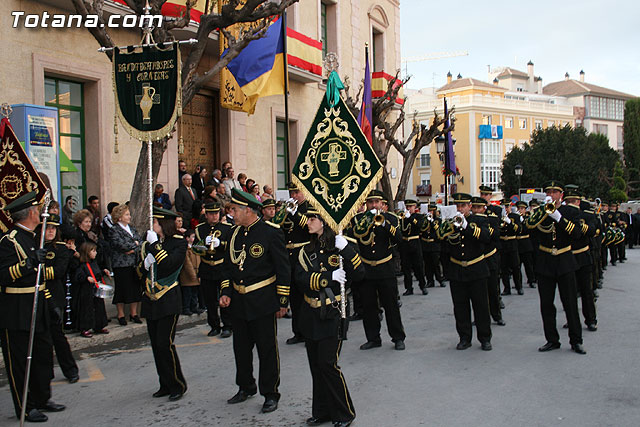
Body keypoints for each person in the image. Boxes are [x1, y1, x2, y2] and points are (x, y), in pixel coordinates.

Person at [220, 189, 290, 414]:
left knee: (266, 349)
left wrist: (282, 300)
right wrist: (226, 291)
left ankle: (270, 392)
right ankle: (245, 386)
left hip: (262, 299)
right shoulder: (233, 234)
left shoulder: (271, 232)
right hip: (239, 300)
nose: (232, 213)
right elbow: (227, 267)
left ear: (247, 210)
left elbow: (282, 268)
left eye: (234, 210)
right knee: (240, 348)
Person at [0, 192, 66, 423]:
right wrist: (27, 263)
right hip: (17, 309)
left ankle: (42, 397)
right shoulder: (9, 241)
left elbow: (41, 280)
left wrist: (50, 305)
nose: (40, 213)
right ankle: (24, 407)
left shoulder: (33, 238)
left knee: (42, 356)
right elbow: (3, 276)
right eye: (37, 210)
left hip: (38, 305)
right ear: (30, 213)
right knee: (20, 361)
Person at [295, 208, 363, 427]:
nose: (308, 222)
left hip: (333, 312)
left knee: (328, 363)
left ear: (324, 222)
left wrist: (347, 250)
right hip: (310, 313)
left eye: (312, 219)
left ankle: (344, 413)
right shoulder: (306, 249)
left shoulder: (341, 245)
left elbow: (360, 274)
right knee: (316, 365)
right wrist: (327, 277)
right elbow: (300, 278)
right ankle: (322, 411)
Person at [525, 181, 586, 355]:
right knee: (546, 304)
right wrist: (542, 214)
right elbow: (530, 231)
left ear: (561, 195)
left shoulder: (571, 212)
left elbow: (576, 233)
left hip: (565, 260)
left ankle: (576, 340)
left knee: (570, 303)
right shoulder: (539, 213)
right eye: (549, 192)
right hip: (545, 261)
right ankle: (552, 339)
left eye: (555, 192)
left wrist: (558, 217)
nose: (552, 194)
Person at [347, 190, 406, 351]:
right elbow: (353, 237)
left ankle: (398, 337)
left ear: (382, 204)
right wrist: (366, 220)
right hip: (366, 268)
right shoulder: (358, 219)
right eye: (370, 202)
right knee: (369, 306)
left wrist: (384, 224)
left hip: (385, 267)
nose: (373, 205)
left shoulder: (391, 218)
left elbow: (399, 238)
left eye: (376, 202)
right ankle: (373, 338)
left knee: (391, 305)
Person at [140, 207, 188, 401]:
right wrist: (143, 265)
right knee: (155, 344)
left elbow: (170, 265)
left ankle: (178, 384)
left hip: (168, 298)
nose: (152, 226)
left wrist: (156, 247)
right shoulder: (149, 244)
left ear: (163, 224)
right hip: (151, 298)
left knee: (165, 343)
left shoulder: (179, 243)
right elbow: (141, 272)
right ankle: (165, 383)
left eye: (155, 222)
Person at [438, 193, 493, 351]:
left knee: (481, 306)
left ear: (470, 206)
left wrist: (466, 226)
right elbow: (440, 239)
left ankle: (485, 338)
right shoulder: (450, 222)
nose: (461, 209)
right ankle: (464, 337)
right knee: (460, 307)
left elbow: (486, 237)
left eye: (463, 205)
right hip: (457, 270)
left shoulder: (480, 220)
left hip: (477, 269)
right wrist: (446, 225)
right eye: (458, 206)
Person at [40, 213, 80, 383]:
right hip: (37, 296)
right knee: (42, 340)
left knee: (58, 337)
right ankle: (46, 374)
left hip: (54, 297)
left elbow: (59, 272)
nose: (50, 231)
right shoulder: (35, 246)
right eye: (47, 227)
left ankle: (71, 370)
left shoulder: (61, 249)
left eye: (53, 228)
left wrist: (36, 272)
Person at [195, 202, 233, 337]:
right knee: (210, 299)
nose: (214, 216)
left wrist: (220, 244)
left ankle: (227, 325)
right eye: (211, 214)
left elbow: (230, 247)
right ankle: (214, 325)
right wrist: (202, 245)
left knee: (225, 297)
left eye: (216, 213)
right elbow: (195, 249)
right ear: (206, 215)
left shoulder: (227, 228)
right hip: (206, 267)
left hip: (222, 266)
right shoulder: (200, 229)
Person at [282, 182, 311, 345]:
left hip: (303, 254)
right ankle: (298, 332)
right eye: (291, 193)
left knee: (306, 296)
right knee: (294, 297)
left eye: (297, 192)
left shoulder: (310, 207)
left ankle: (308, 332)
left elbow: (309, 226)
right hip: (289, 255)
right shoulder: (288, 208)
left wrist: (295, 214)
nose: (294, 196)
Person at [470, 197, 505, 327]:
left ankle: (497, 315)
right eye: (474, 208)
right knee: (478, 292)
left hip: (490, 257)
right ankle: (479, 317)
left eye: (479, 208)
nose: (476, 210)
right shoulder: (469, 221)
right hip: (476, 258)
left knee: (492, 289)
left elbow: (495, 235)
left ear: (484, 208)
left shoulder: (492, 219)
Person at [108, 204, 143, 326]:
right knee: (122, 289)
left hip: (134, 263)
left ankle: (134, 314)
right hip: (121, 264)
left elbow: (141, 242)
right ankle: (121, 314)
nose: (129, 217)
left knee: (135, 288)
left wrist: (133, 248)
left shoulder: (132, 228)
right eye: (127, 214)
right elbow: (121, 245)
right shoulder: (114, 230)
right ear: (119, 217)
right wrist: (134, 245)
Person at [74, 242, 109, 337]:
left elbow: (96, 273)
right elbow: (78, 276)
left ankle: (99, 326)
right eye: (93, 251)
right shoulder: (82, 264)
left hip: (95, 288)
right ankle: (85, 328)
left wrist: (103, 272)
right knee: (87, 309)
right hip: (87, 290)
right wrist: (86, 278)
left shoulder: (94, 263)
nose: (95, 253)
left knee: (99, 307)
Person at [399, 199, 428, 296]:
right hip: (405, 244)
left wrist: (410, 218)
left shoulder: (419, 216)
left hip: (415, 243)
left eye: (411, 206)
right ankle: (409, 288)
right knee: (406, 268)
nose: (408, 208)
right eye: (407, 207)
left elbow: (419, 226)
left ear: (415, 207)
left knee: (418, 266)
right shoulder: (402, 218)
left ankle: (423, 286)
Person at [500, 199, 523, 296]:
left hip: (512, 243)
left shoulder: (515, 216)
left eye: (507, 206)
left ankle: (519, 287)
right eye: (504, 207)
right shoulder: (498, 217)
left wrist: (509, 222)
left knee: (515, 267)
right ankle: (506, 288)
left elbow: (519, 230)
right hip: (503, 244)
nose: (506, 209)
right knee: (504, 268)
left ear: (510, 206)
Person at [421, 204, 446, 288]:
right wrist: (426, 221)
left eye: (431, 211)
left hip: (434, 245)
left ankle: (440, 279)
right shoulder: (424, 220)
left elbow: (438, 230)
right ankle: (430, 281)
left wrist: (431, 221)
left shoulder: (438, 220)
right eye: (429, 211)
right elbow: (422, 229)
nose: (430, 212)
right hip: (426, 244)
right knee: (427, 265)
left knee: (436, 264)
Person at [179, 229, 201, 316]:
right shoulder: (185, 249)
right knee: (187, 293)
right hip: (188, 275)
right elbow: (187, 263)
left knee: (194, 293)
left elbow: (199, 260)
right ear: (187, 238)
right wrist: (192, 274)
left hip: (196, 272)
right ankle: (186, 308)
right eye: (192, 237)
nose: (194, 238)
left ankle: (194, 307)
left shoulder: (195, 248)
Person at [516, 201, 536, 288]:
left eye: (522, 208)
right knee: (517, 266)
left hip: (526, 243)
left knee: (528, 265)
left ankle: (531, 280)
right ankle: (518, 283)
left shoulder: (528, 218)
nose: (520, 210)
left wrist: (522, 221)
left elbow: (528, 229)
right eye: (519, 208)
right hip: (518, 244)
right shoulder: (515, 218)